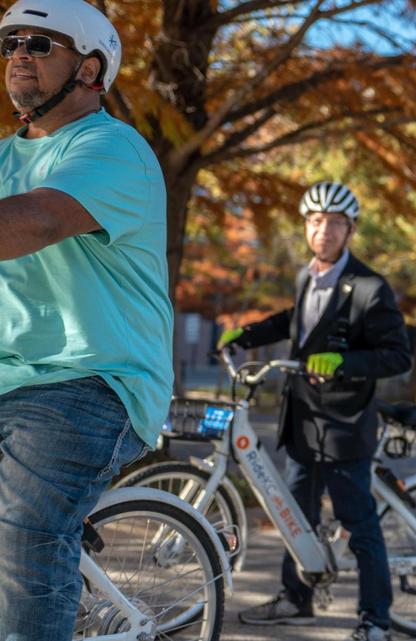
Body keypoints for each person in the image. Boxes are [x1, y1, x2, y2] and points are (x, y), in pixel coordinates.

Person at [0, 0, 172, 638]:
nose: (19, 53)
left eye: (40, 43)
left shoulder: (113, 148)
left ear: (91, 69)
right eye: (11, 43)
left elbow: (38, 221)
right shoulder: (3, 157)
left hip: (91, 379)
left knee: (24, 532)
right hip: (10, 375)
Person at [219, 181, 412, 641]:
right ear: (306, 225)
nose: (324, 230)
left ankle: (376, 621)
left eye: (335, 223)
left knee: (359, 525)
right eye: (316, 221)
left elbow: (397, 356)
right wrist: (247, 335)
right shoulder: (307, 276)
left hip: (344, 427)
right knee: (295, 515)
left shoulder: (370, 288)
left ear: (350, 230)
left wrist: (343, 363)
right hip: (302, 421)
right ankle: (296, 598)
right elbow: (296, 322)